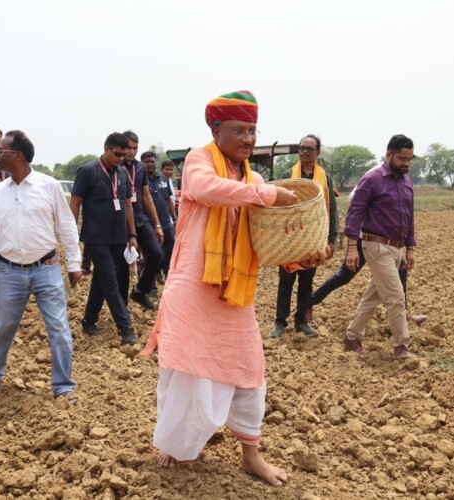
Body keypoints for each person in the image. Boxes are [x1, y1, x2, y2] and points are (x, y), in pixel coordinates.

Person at [142, 90, 325, 487]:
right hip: (193, 287)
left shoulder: (254, 178)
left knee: (248, 369)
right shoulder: (199, 160)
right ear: (215, 129)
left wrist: (299, 259)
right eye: (239, 130)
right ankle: (180, 445)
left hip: (234, 292)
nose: (248, 138)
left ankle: (251, 455)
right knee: (189, 370)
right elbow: (208, 190)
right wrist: (264, 194)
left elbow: (265, 238)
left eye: (253, 131)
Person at [0, 130, 81, 403]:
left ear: (18, 155)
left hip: (45, 268)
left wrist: (74, 262)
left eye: (2, 150)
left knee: (59, 328)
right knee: (0, 328)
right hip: (8, 271)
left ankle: (64, 386)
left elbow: (67, 226)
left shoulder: (48, 186)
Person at [308, 170, 426, 325]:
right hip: (365, 238)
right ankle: (308, 304)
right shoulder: (374, 176)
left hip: (383, 242)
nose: (406, 164)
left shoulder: (399, 180)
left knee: (401, 269)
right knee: (345, 275)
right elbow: (354, 199)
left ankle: (401, 315)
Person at [343, 134, 418, 360]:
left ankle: (351, 337)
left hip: (396, 249)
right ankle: (401, 346)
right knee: (396, 298)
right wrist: (351, 248)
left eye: (409, 159)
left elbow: (409, 217)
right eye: (402, 158)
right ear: (389, 155)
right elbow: (354, 213)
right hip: (376, 246)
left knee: (373, 297)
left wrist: (410, 248)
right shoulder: (372, 179)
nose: (406, 163)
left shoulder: (407, 183)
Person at [69, 132, 138, 344]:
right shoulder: (88, 171)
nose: (121, 158)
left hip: (118, 237)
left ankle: (89, 320)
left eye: (124, 155)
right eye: (117, 154)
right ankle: (126, 329)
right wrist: (71, 235)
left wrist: (132, 235)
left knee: (101, 279)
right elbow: (75, 203)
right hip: (96, 237)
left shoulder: (123, 174)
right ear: (107, 149)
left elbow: (127, 204)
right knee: (111, 282)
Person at [269, 135, 338, 339]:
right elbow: (278, 207)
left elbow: (331, 209)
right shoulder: (288, 174)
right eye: (302, 148)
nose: (304, 151)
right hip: (290, 238)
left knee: (306, 282)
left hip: (313, 238)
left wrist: (331, 240)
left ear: (317, 153)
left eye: (309, 148)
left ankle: (302, 322)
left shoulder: (325, 178)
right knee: (286, 281)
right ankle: (280, 323)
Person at [121, 131, 164, 310]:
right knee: (122, 265)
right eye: (128, 148)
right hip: (121, 222)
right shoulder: (116, 167)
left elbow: (146, 195)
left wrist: (157, 224)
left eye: (135, 148)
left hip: (141, 218)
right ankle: (121, 307)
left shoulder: (140, 168)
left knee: (156, 254)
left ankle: (140, 290)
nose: (131, 152)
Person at [144, 151, 177, 284]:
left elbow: (168, 199)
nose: (150, 164)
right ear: (142, 164)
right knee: (153, 252)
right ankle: (150, 286)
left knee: (172, 247)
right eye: (147, 162)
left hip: (166, 223)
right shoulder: (141, 181)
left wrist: (175, 217)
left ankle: (159, 269)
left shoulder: (163, 180)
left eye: (152, 161)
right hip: (150, 224)